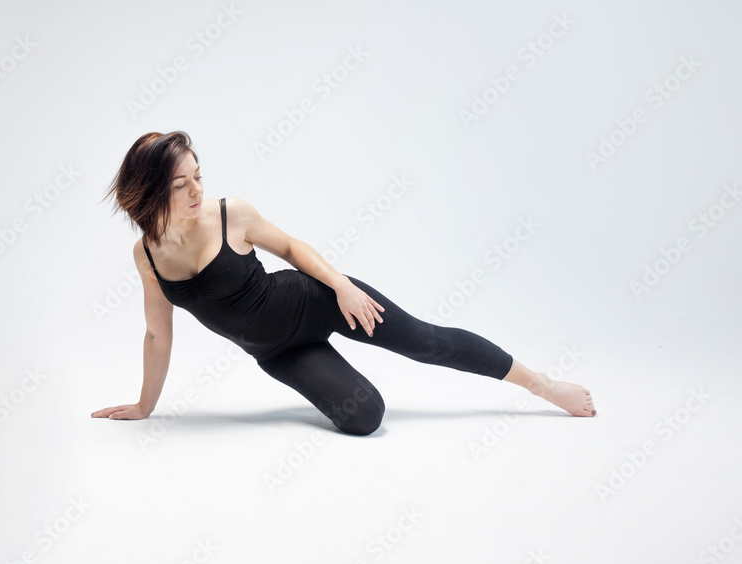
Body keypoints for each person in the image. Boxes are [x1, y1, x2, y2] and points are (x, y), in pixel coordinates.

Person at [92, 131, 595, 435]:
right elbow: (158, 335)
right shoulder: (147, 256)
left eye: (199, 176)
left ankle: (545, 387)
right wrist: (144, 406)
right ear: (152, 191)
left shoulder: (231, 214)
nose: (198, 189)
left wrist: (341, 287)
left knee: (425, 342)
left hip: (317, 303)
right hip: (278, 353)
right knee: (365, 419)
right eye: (182, 184)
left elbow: (289, 249)